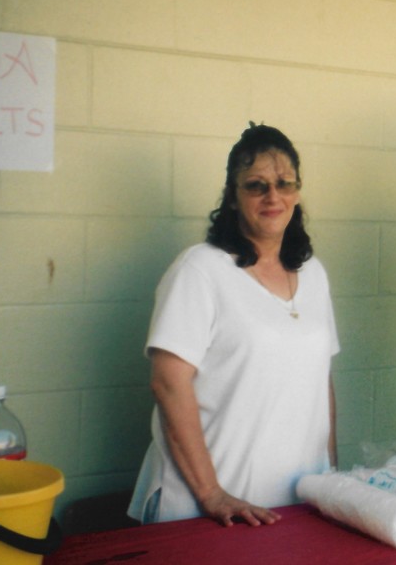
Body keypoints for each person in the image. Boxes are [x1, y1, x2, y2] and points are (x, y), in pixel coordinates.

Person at [128, 123, 339, 527]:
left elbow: (321, 381)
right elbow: (168, 383)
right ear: (233, 196)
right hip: (208, 508)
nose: (273, 196)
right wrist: (212, 494)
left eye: (284, 183)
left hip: (293, 503)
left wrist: (330, 474)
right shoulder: (200, 269)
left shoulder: (312, 274)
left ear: (297, 191)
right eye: (256, 185)